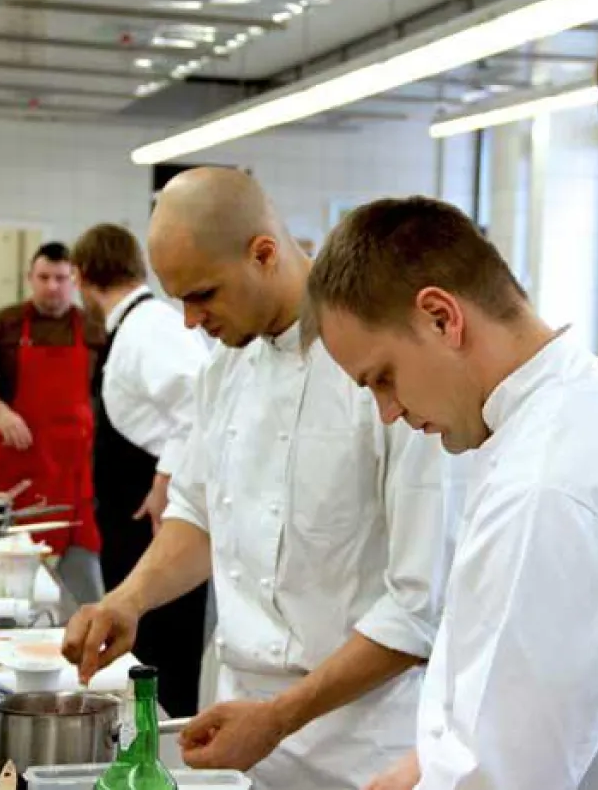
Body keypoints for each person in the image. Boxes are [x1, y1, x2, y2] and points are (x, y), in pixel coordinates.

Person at [305, 196, 598, 790]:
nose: (387, 411)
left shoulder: (549, 481)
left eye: (383, 377)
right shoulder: (589, 409)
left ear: (441, 318)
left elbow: (507, 778)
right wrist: (423, 766)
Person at [60, 168, 452, 790]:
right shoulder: (223, 372)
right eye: (180, 299)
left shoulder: (384, 374)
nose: (190, 321)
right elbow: (197, 514)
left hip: (360, 744)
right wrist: (126, 601)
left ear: (263, 254)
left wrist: (278, 719)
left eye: (204, 295)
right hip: (238, 724)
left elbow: (418, 606)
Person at [70, 223, 211, 717]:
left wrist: (165, 478)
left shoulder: (150, 327)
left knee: (161, 660)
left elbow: (199, 402)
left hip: (155, 521)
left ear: (82, 275)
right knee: (144, 653)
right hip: (133, 516)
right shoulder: (134, 326)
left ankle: (161, 759)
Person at [0, 241, 105, 604]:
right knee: (3, 578)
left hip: (73, 474)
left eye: (61, 278)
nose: (52, 286)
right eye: (44, 277)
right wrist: (0, 411)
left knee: (80, 579)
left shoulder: (95, 330)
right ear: (29, 278)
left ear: (75, 280)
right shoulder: (2, 325)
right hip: (17, 468)